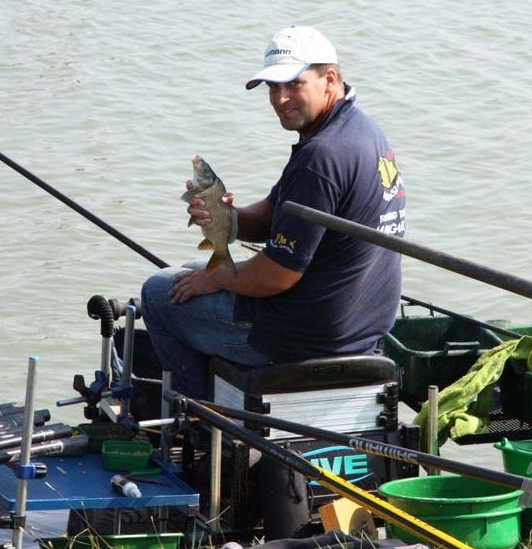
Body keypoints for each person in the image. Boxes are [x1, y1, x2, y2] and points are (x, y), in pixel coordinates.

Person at [140, 24, 406, 401]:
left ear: (328, 79)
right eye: (273, 87)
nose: (280, 99)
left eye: (293, 84)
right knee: (190, 270)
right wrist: (227, 221)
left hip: (309, 337)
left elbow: (276, 276)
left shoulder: (321, 157)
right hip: (362, 321)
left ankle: (202, 420)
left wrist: (215, 280)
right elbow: (274, 214)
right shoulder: (358, 130)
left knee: (158, 294)